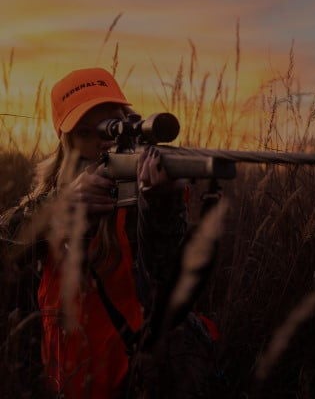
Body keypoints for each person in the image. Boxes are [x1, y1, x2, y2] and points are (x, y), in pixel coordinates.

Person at [1, 68, 219, 398]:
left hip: (134, 373)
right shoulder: (51, 195)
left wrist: (161, 204)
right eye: (87, 132)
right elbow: (6, 245)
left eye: (111, 125)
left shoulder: (148, 181)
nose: (104, 139)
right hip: (69, 377)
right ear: (67, 141)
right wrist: (59, 208)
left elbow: (171, 282)